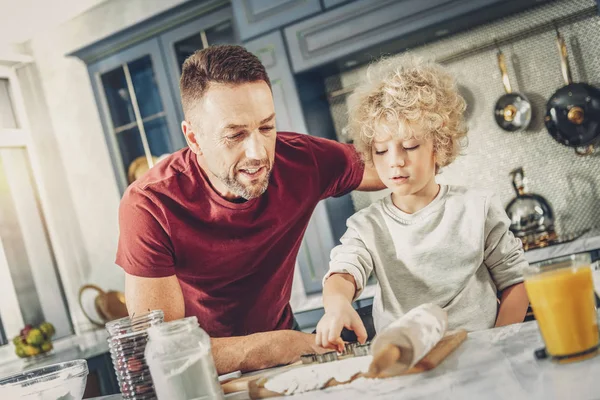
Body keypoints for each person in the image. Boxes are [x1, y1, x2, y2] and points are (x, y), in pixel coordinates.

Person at [115, 45, 385, 373]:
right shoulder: (149, 205)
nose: (258, 152)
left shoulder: (301, 160)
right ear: (194, 138)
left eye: (267, 127)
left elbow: (395, 166)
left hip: (288, 362)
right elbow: (162, 349)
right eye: (235, 135)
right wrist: (276, 345)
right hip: (203, 379)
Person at [315, 56, 529, 351]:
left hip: (482, 355)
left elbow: (516, 281)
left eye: (410, 146)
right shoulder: (368, 226)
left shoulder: (475, 208)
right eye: (381, 150)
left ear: (438, 146)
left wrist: (499, 344)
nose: (395, 161)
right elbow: (344, 271)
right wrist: (337, 305)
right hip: (407, 364)